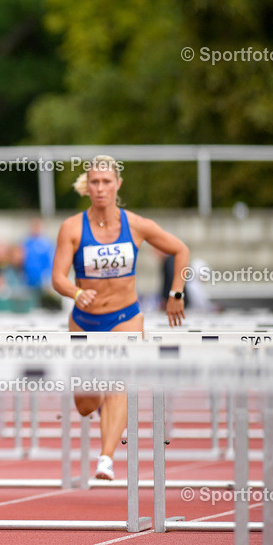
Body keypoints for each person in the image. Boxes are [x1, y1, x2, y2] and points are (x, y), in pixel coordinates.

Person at [51, 155, 188, 481]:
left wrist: (176, 293)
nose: (100, 188)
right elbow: (57, 278)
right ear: (88, 187)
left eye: (106, 182)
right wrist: (75, 293)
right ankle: (102, 408)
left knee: (118, 382)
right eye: (95, 182)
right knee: (85, 403)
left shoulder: (136, 225)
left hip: (126, 316)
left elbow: (181, 250)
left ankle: (106, 458)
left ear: (117, 185)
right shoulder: (72, 228)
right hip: (85, 321)